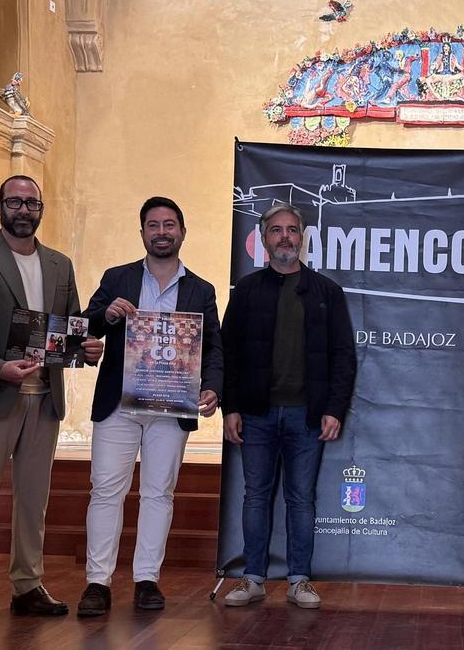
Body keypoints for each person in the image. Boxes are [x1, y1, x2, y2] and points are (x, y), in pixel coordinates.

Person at [0, 175, 104, 622]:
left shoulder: (60, 264)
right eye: (14, 202)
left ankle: (28, 584)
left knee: (34, 498)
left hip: (45, 396)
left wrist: (87, 347)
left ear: (41, 209)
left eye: (31, 203)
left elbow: (70, 326)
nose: (23, 210)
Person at [75, 197, 224, 616]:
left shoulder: (201, 289)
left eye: (169, 224)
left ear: (182, 232)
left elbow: (213, 347)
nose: (162, 232)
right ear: (142, 232)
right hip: (118, 405)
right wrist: (107, 315)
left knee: (159, 493)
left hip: (172, 406)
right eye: (153, 225)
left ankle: (146, 580)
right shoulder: (117, 277)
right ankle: (97, 583)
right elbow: (84, 326)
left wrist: (212, 387)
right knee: (106, 491)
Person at [220, 204, 356, 609]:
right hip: (256, 414)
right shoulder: (246, 291)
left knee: (301, 499)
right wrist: (230, 407)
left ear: (302, 237)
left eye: (292, 230)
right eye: (276, 230)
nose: (285, 237)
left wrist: (334, 408)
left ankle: (299, 580)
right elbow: (228, 353)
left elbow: (343, 356)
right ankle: (253, 578)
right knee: (255, 497)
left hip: (307, 416)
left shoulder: (326, 292)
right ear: (264, 239)